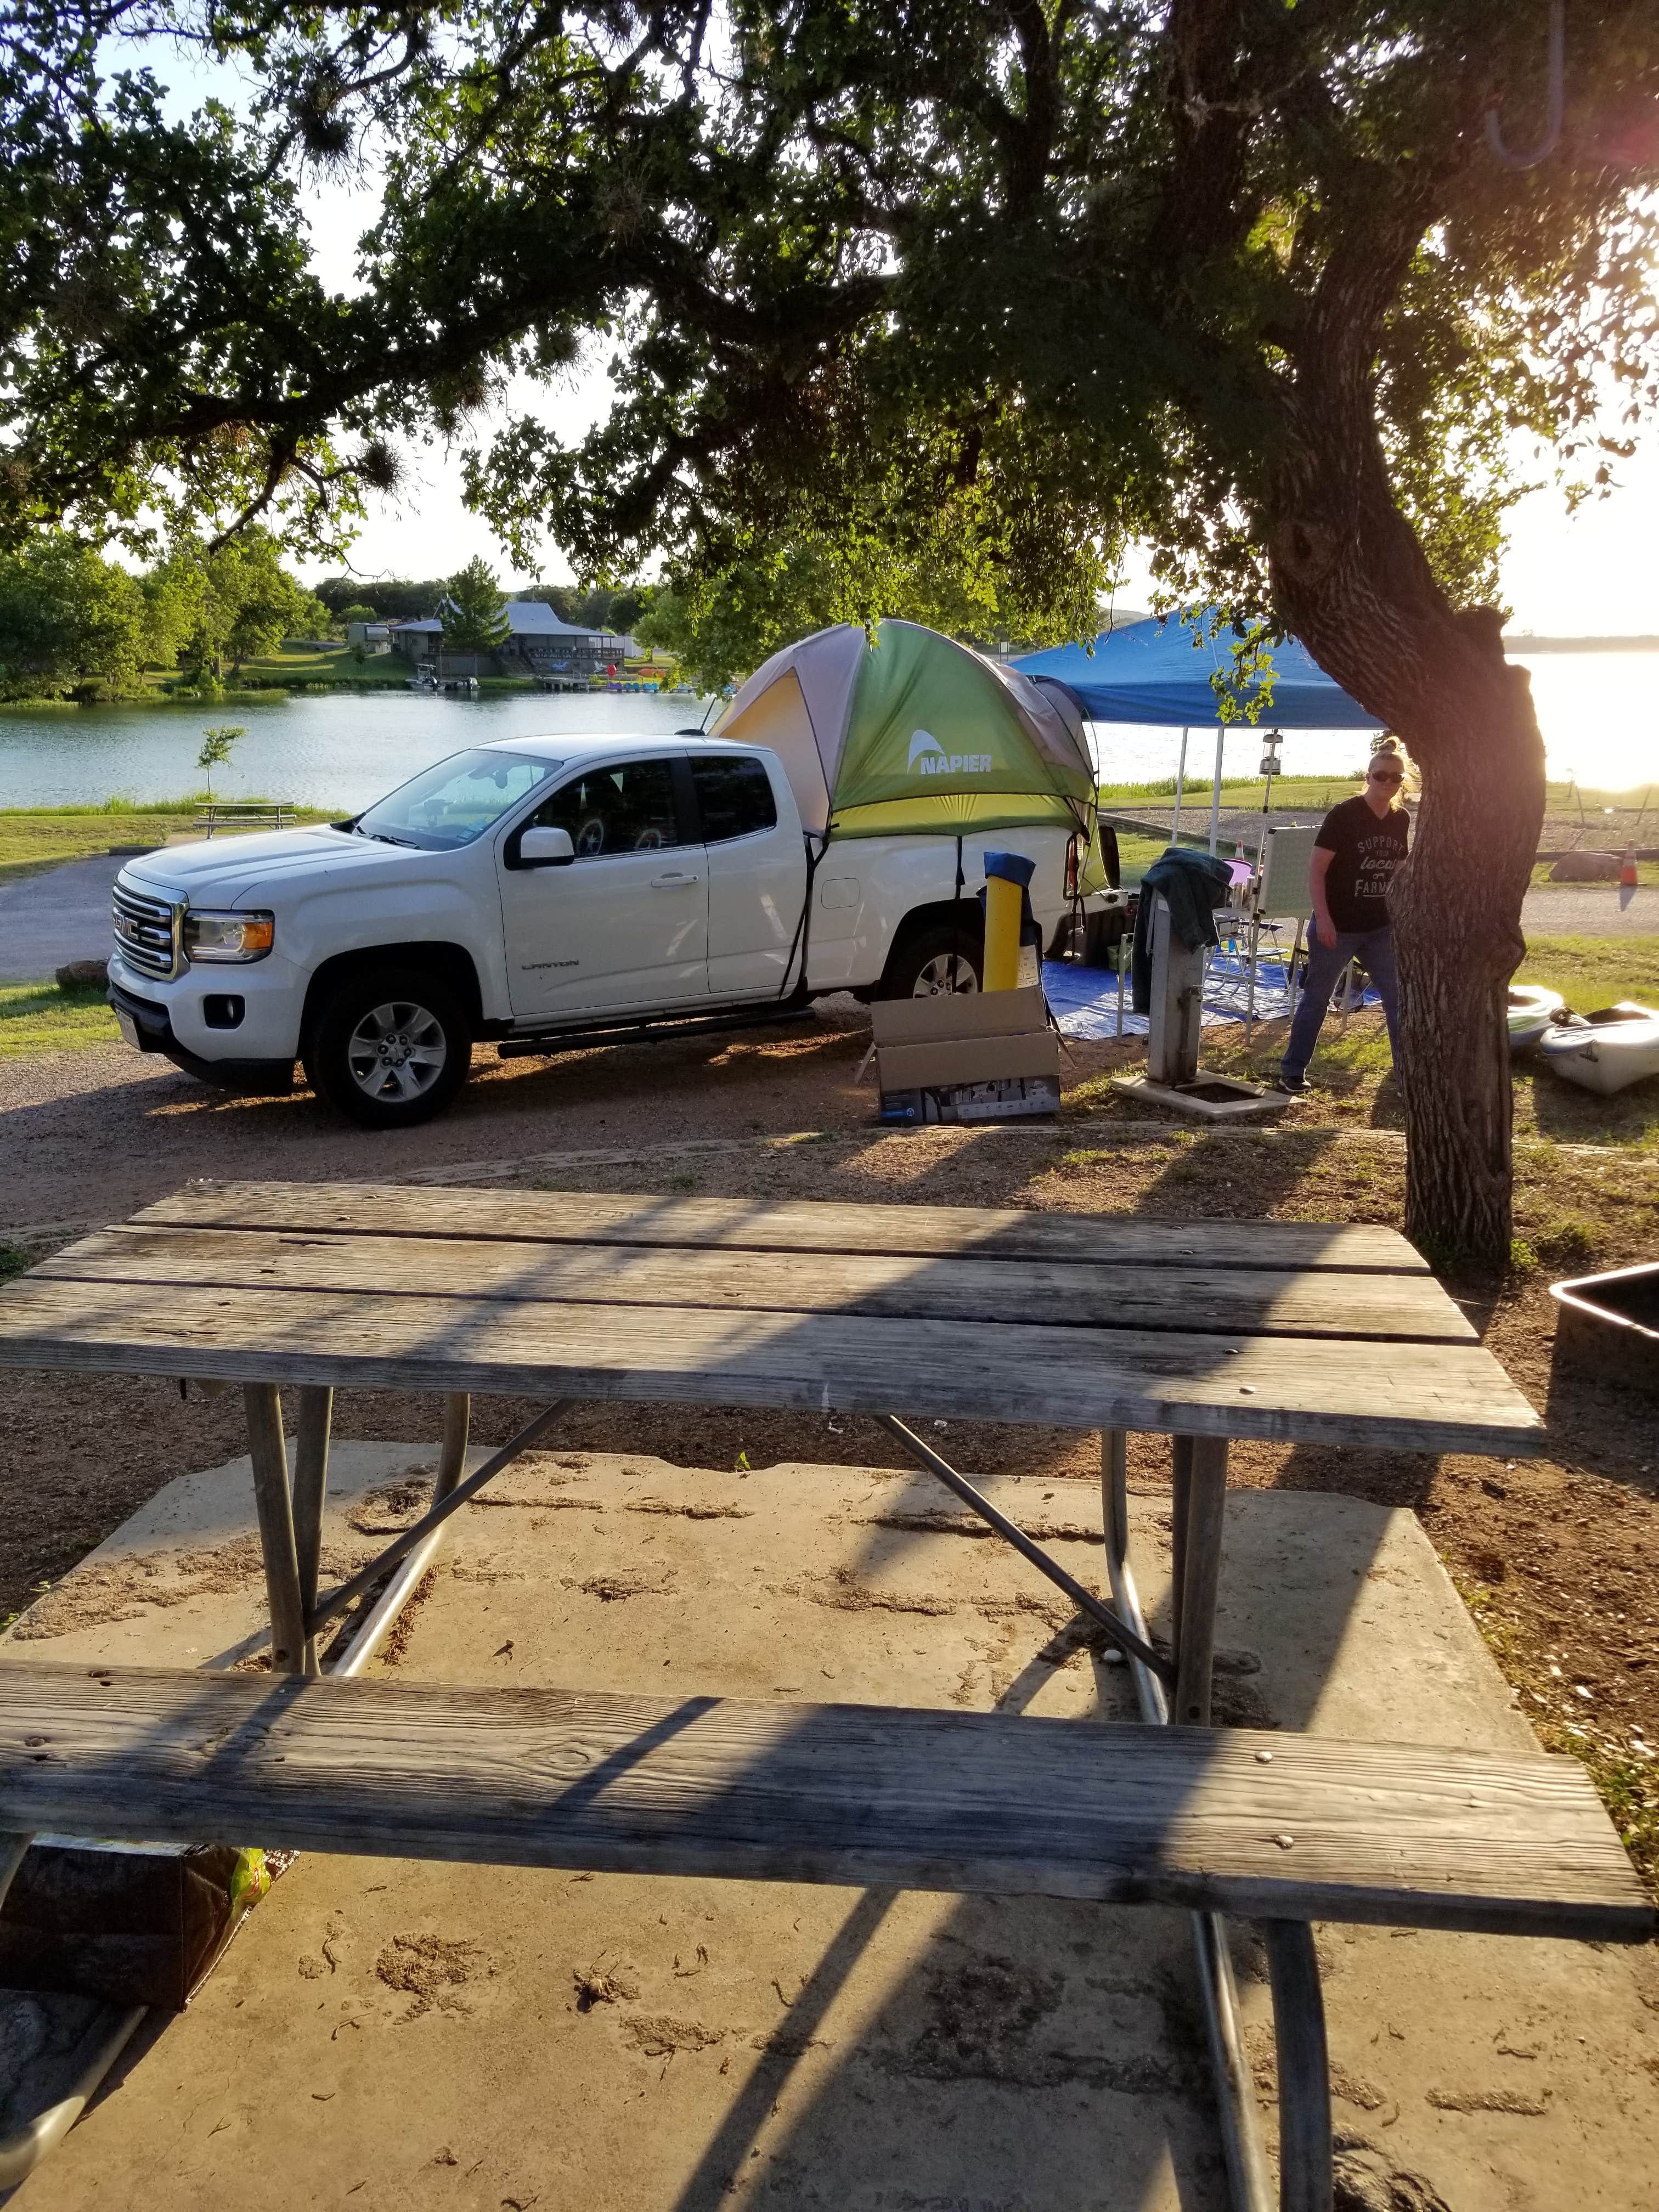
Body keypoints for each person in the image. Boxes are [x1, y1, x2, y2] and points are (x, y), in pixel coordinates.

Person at [1277, 738, 1413, 1094]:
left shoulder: (1401, 819)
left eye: (1395, 777)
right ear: (1368, 777)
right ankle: (1292, 1071)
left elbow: (1398, 871)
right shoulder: (1345, 815)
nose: (1387, 782)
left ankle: (1407, 1077)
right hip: (1337, 926)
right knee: (1318, 997)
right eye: (1380, 776)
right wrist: (1323, 919)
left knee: (1399, 998)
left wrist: (1400, 917)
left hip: (1379, 928)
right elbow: (1316, 871)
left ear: (1403, 781)